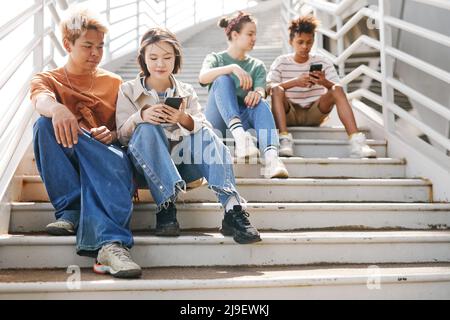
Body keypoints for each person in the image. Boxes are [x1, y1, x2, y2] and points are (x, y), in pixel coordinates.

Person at [116, 27, 261, 244]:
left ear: (176, 58)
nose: (160, 64)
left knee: (205, 133)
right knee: (147, 128)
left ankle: (233, 209)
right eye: (153, 57)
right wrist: (141, 116)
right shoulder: (127, 90)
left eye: (167, 57)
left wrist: (182, 119)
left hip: (183, 164)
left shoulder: (186, 90)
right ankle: (166, 206)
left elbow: (204, 130)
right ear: (143, 59)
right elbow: (121, 137)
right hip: (147, 166)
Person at [30, 6, 141, 278]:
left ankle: (110, 245)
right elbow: (39, 99)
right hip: (71, 161)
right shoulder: (49, 79)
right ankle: (72, 210)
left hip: (106, 159)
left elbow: (125, 130)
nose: (96, 53)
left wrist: (111, 135)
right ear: (68, 44)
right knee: (43, 124)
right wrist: (57, 109)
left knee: (109, 154)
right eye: (88, 46)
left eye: (100, 47)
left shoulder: (115, 82)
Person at [267, 15, 377, 158]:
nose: (305, 47)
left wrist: (324, 81)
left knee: (336, 89)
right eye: (300, 42)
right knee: (277, 89)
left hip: (315, 113)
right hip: (289, 114)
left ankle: (357, 142)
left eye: (309, 42)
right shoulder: (281, 61)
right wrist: (295, 82)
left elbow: (337, 87)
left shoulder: (322, 61)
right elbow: (269, 87)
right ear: (291, 41)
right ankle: (284, 139)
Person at [198, 11, 289, 179]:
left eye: (255, 34)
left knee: (260, 102)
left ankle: (271, 159)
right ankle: (241, 140)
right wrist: (232, 68)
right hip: (219, 121)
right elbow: (203, 77)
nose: (254, 38)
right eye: (250, 34)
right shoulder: (216, 58)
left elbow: (262, 89)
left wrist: (258, 93)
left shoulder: (257, 65)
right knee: (222, 80)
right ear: (235, 34)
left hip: (245, 116)